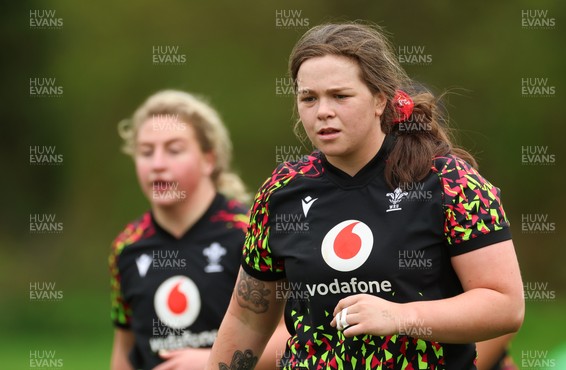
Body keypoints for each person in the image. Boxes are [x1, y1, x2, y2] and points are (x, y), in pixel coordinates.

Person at [206, 22, 525, 370]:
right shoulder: (281, 191)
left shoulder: (449, 181)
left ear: (379, 100)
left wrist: (401, 316)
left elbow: (504, 306)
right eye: (308, 98)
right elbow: (248, 318)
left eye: (340, 96)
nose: (322, 111)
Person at [109, 90, 287, 370]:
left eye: (174, 150)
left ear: (209, 159)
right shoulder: (127, 246)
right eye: (146, 152)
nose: (157, 164)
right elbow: (124, 350)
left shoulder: (249, 232)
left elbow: (292, 336)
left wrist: (213, 361)